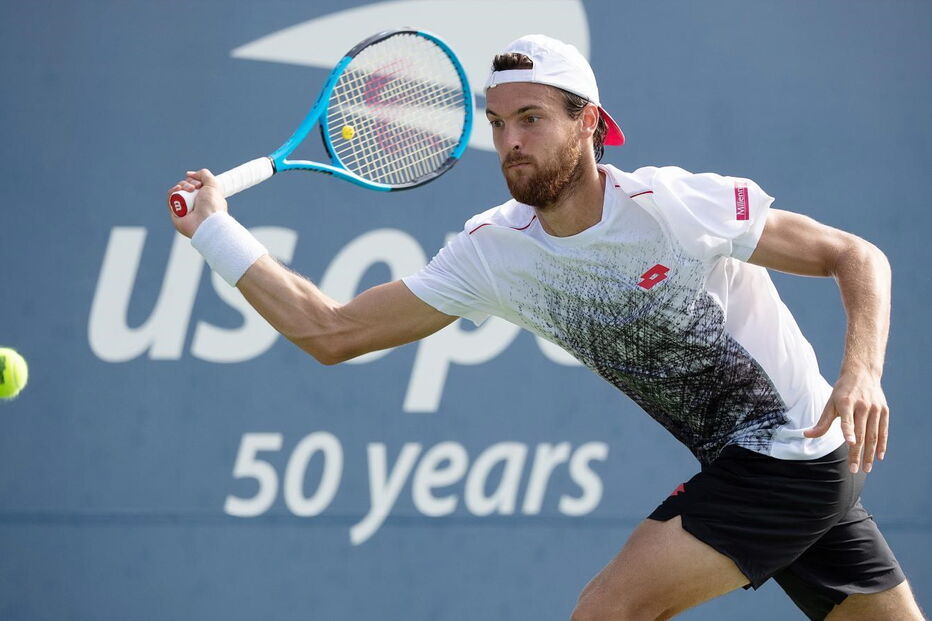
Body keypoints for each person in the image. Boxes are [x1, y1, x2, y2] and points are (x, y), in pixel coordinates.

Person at [168, 34, 924, 621]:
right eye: (498, 123)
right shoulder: (494, 253)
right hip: (793, 466)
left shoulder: (675, 207)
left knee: (607, 610)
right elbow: (329, 332)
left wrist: (860, 372)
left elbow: (853, 255)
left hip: (790, 455)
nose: (510, 142)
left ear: (587, 123)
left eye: (531, 119)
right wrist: (213, 233)